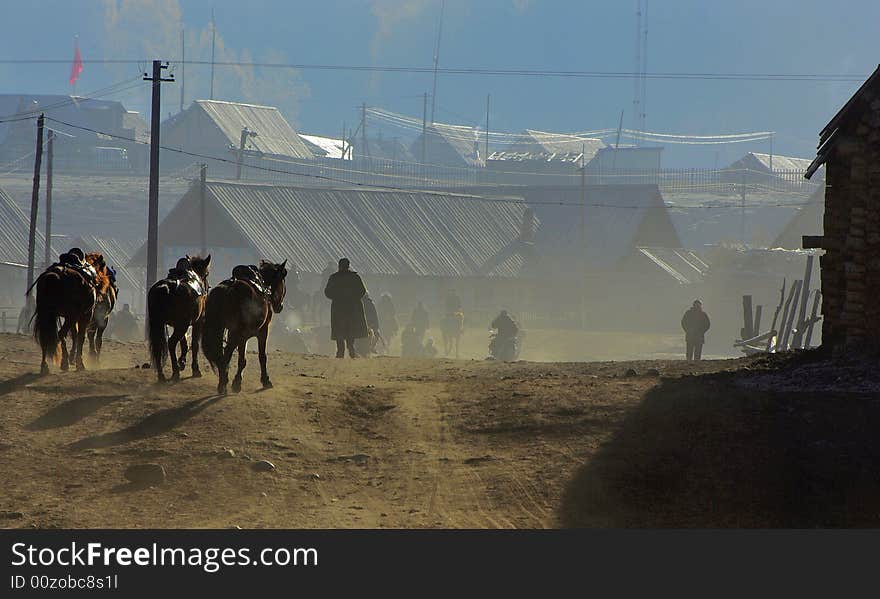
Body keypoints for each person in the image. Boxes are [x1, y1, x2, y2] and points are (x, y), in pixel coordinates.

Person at [324, 258, 368, 358]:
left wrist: (337, 296)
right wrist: (353, 297)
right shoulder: (354, 277)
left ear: (339, 266)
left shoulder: (334, 278)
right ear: (348, 265)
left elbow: (327, 292)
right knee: (350, 329)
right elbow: (362, 291)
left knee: (339, 330)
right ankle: (350, 348)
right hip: (352, 309)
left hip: (338, 309)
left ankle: (341, 351)